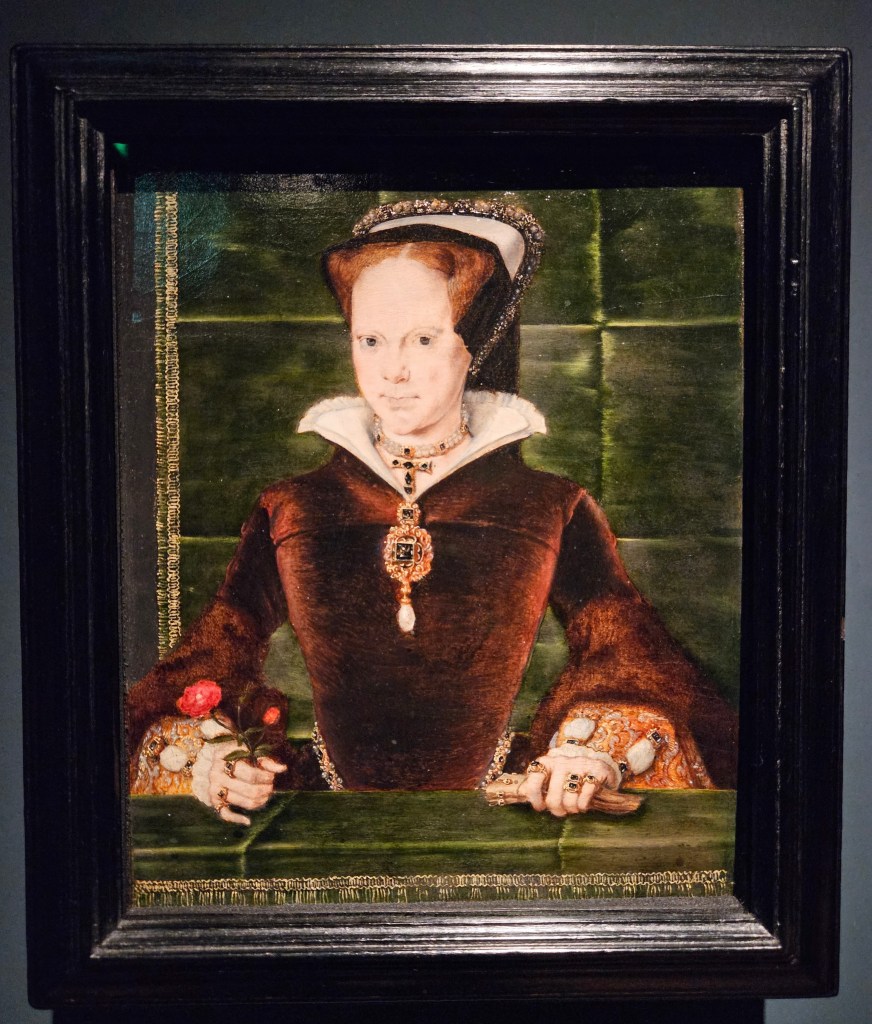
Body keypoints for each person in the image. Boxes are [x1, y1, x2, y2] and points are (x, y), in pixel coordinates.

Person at [129, 197, 738, 826]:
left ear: (475, 343)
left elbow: (628, 654)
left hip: (501, 817)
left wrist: (591, 754)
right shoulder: (291, 505)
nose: (393, 371)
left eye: (423, 339)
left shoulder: (551, 504)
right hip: (320, 810)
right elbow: (213, 655)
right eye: (370, 340)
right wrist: (216, 756)